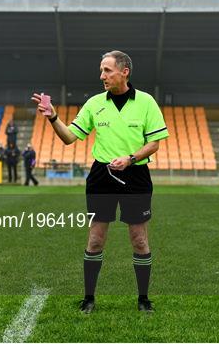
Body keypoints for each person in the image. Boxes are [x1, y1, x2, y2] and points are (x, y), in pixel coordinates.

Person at [32, 50, 169, 313]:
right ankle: (89, 298)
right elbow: (70, 137)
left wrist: (130, 158)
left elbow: (154, 143)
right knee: (95, 239)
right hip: (101, 176)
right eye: (101, 70)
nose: (102, 76)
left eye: (107, 70)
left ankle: (143, 299)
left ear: (124, 71)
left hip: (136, 175)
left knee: (139, 239)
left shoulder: (146, 102)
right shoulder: (95, 103)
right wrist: (52, 116)